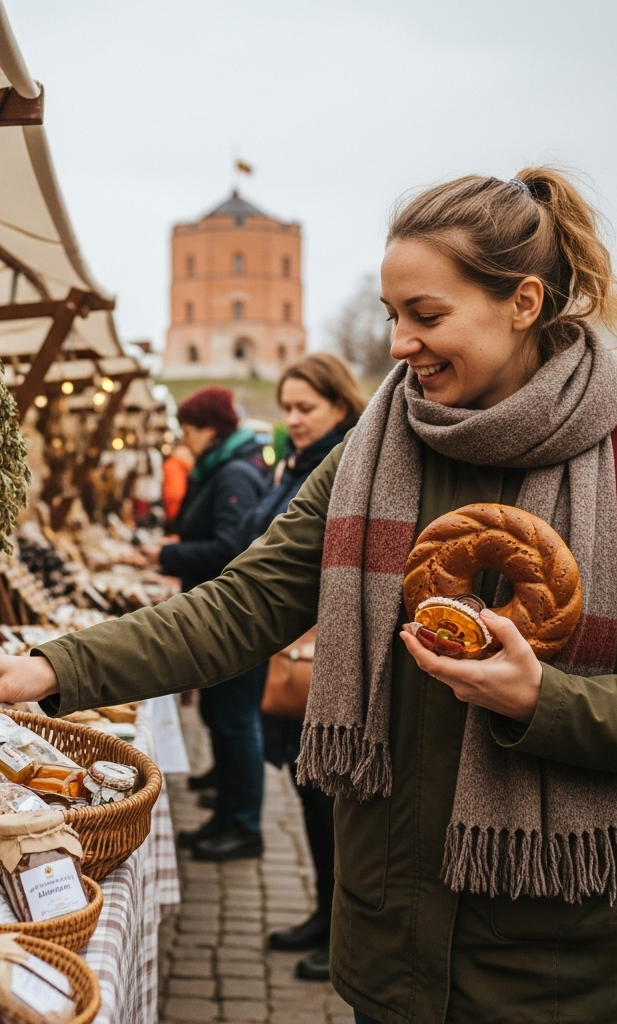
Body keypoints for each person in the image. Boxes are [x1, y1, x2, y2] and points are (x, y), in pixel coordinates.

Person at [0, 168, 617, 1023]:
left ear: (524, 303)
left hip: (567, 962)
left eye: (427, 316)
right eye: (394, 316)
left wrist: (542, 700)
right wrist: (50, 668)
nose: (399, 345)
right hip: (392, 939)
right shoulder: (376, 450)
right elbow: (240, 604)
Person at [246, 353, 367, 982]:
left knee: (332, 808)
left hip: (327, 660)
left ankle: (343, 929)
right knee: (309, 796)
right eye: (287, 407)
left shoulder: (342, 465)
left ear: (340, 407)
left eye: (305, 408)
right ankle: (324, 914)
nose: (292, 418)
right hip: (296, 651)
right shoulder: (295, 462)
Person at [146, 386, 269, 860]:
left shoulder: (233, 473)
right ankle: (227, 815)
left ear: (209, 428)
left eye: (188, 430)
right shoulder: (222, 467)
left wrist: (166, 554)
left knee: (237, 721)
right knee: (222, 716)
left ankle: (244, 825)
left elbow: (229, 547)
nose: (184, 440)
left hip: (235, 617)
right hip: (218, 611)